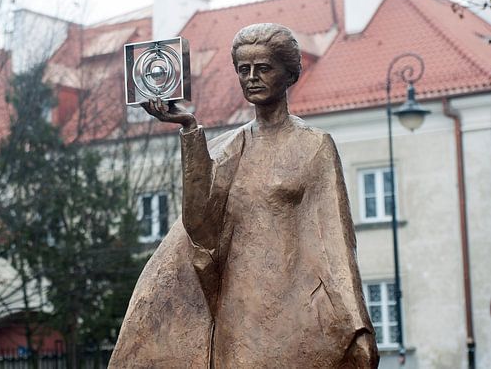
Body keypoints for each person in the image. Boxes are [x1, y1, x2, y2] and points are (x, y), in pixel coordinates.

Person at [109, 23, 378, 368]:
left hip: (294, 309)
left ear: (288, 73)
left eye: (264, 68)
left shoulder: (314, 146)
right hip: (236, 308)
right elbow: (199, 230)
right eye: (243, 69)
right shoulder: (228, 147)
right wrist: (189, 130)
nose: (252, 77)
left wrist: (358, 325)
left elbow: (336, 241)